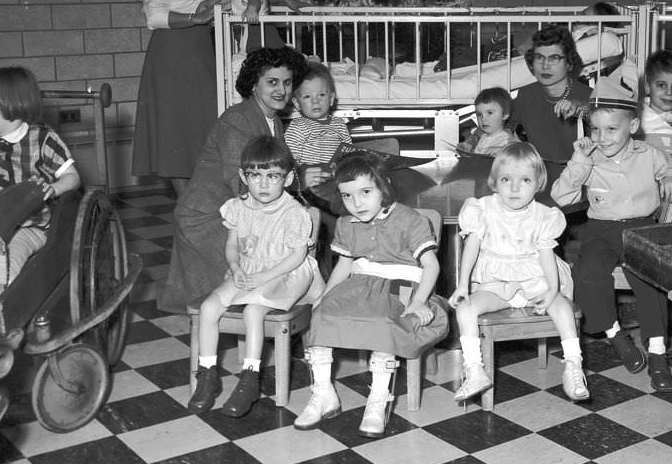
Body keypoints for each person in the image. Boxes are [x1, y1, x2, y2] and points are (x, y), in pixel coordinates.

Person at [294, 153, 449, 438]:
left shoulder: (409, 219)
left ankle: (379, 399)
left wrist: (419, 300)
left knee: (383, 319)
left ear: (383, 188)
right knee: (323, 314)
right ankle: (323, 392)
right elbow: (345, 265)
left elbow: (431, 265)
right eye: (348, 196)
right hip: (363, 280)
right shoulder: (346, 223)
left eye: (365, 192)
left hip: (403, 283)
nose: (357, 203)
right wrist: (324, 296)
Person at [551, 93, 672, 391]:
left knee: (649, 280)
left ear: (634, 126)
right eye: (595, 129)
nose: (602, 137)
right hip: (600, 228)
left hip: (641, 228)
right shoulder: (588, 159)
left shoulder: (649, 153)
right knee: (587, 273)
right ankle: (616, 335)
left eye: (612, 129)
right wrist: (578, 160)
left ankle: (657, 352)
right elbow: (561, 197)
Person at [159, 46, 307, 313]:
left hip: (234, 208)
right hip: (207, 218)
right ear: (253, 84)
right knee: (251, 282)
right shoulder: (237, 120)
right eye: (272, 82)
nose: (281, 90)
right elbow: (239, 184)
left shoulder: (273, 121)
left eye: (287, 83)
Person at [187, 136, 323, 418]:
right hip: (249, 268)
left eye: (272, 176)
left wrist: (263, 277)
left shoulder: (294, 212)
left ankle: (250, 378)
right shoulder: (239, 207)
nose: (263, 184)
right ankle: (208, 375)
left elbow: (297, 257)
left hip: (286, 271)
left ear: (286, 179)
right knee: (209, 307)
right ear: (243, 176)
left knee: (253, 311)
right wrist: (236, 267)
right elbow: (232, 245)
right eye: (255, 175)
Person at [450, 142, 588, 402]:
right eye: (506, 179)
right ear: (494, 182)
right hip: (495, 282)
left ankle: (573, 364)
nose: (514, 188)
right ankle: (474, 369)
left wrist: (552, 290)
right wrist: (462, 285)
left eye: (525, 180)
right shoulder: (483, 209)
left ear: (538, 184)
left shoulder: (544, 216)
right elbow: (471, 246)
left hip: (533, 277)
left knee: (561, 306)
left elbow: (547, 257)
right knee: (464, 309)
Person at [133, 0, 227, 196]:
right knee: (175, 129)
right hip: (171, 52)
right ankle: (186, 208)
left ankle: (208, 203)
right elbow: (155, 16)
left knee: (207, 126)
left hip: (206, 50)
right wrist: (195, 16)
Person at [0, 67, 81, 298]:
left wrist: (53, 189)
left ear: (11, 106)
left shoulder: (43, 138)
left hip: (31, 225)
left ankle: (4, 301)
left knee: (9, 257)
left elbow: (72, 177)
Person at [511, 24, 592, 164]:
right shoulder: (526, 94)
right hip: (537, 174)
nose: (544, 65)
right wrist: (472, 139)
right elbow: (501, 123)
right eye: (539, 57)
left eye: (553, 58)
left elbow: (598, 115)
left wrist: (579, 108)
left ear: (569, 63)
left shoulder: (588, 95)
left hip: (579, 174)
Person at [284, 61, 352, 186]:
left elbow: (349, 153)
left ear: (331, 99)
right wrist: (301, 178)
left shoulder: (339, 124)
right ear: (297, 103)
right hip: (311, 183)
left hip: (337, 181)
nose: (315, 101)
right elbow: (289, 162)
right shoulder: (297, 127)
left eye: (321, 94)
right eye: (307, 97)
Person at [458, 87, 519, 156]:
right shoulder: (483, 138)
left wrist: (500, 153)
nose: (483, 118)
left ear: (505, 114)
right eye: (479, 114)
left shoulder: (508, 141)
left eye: (490, 112)